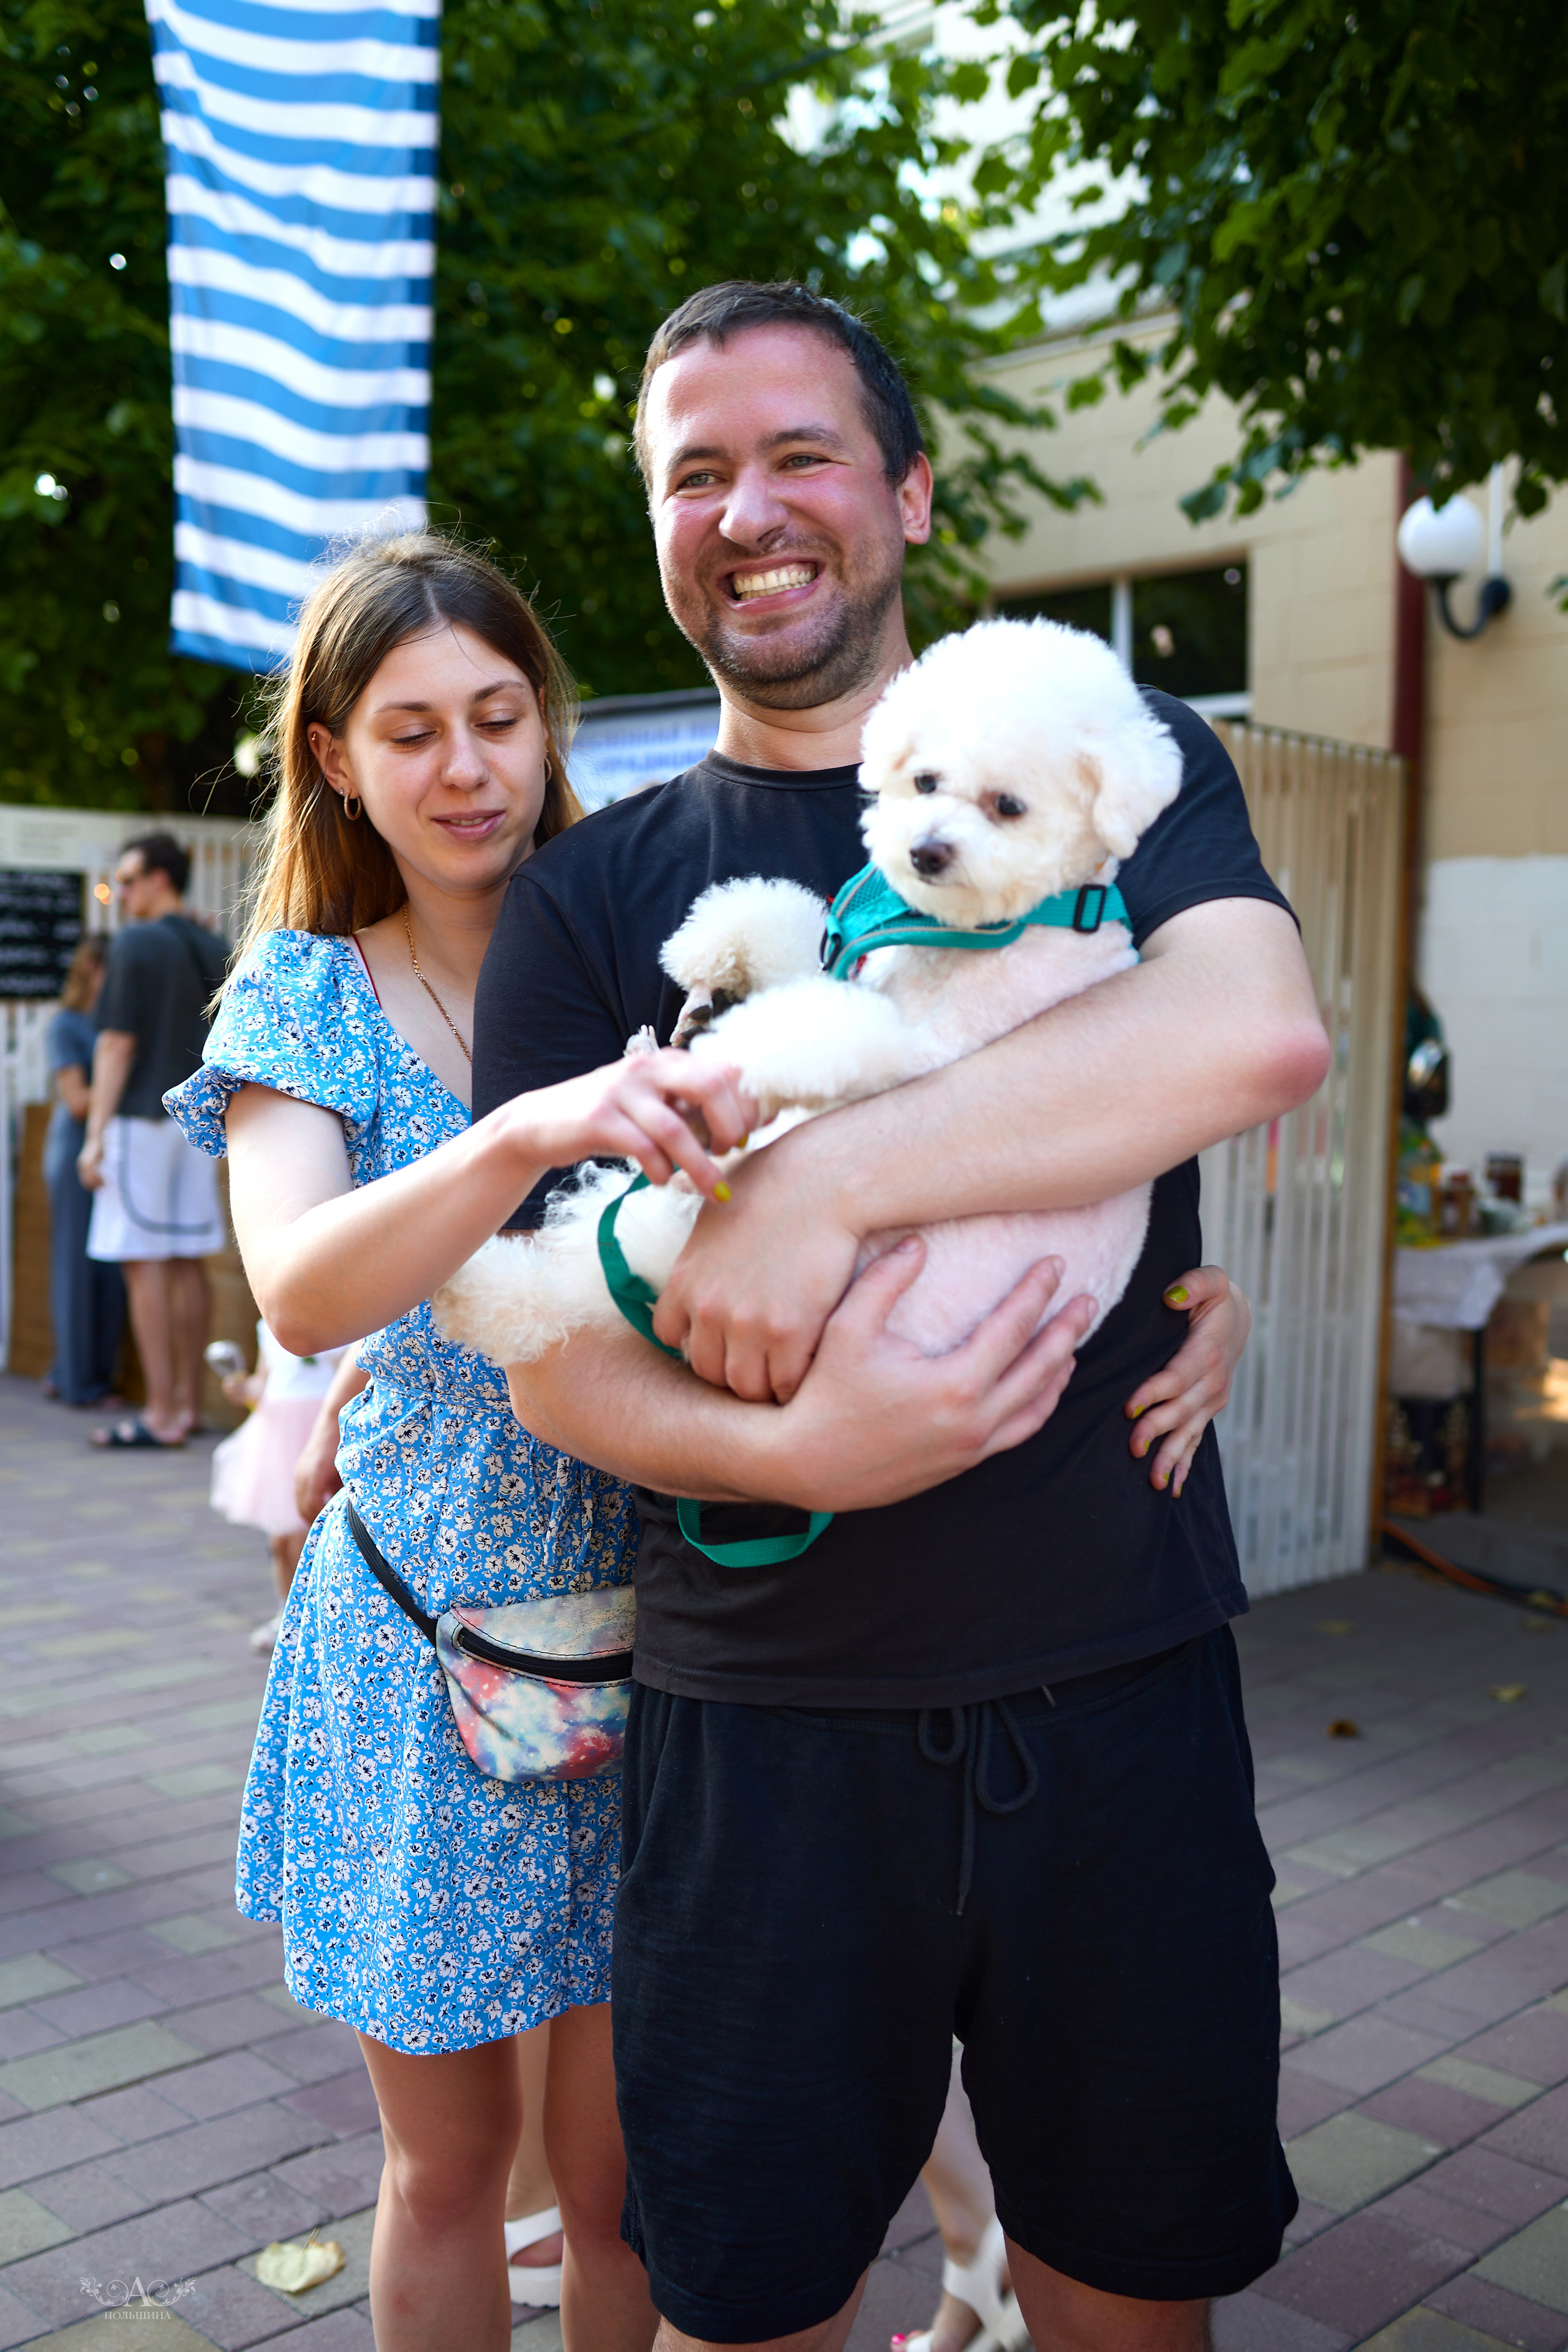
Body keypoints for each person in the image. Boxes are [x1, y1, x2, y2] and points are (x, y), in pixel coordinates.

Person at [472, 281, 1331, 2352]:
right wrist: (788, 1453)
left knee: (1131, 2292)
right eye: (695, 473)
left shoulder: (1111, 763)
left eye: (797, 456)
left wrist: (827, 1182)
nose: (746, 510)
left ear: (910, 493)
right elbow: (532, 1347)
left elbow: (1254, 1030)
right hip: (759, 1723)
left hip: (1115, 1682)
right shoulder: (594, 898)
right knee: (743, 2308)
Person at [161, 531, 755, 2352]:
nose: (467, 764)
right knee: (445, 2170)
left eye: (497, 714)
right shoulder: (304, 990)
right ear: (332, 757)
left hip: (668, 1646)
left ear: (546, 719)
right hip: (423, 1653)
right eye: (408, 729)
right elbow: (306, 1286)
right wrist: (521, 1131)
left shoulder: (650, 937)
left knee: (617, 2181)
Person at [78, 833, 230, 1449]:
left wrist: (93, 1137)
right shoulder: (213, 944)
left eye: (131, 880)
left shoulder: (137, 942)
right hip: (196, 1126)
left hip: (141, 1121)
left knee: (144, 1264)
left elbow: (116, 1043)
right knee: (187, 1259)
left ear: (161, 879)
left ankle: (162, 1414)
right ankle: (187, 1406)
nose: (123, 894)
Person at [209, 1320, 352, 1655]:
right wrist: (245, 1392)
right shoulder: (267, 1326)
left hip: (317, 1427)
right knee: (279, 1536)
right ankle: (285, 1612)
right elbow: (266, 1384)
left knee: (308, 1532)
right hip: (277, 1433)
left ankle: (314, 1618)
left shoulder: (342, 1321)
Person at [42, 934, 125, 1408]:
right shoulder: (66, 1025)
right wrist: (125, 1083)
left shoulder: (114, 1023)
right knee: (76, 1268)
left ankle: (77, 1373)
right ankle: (78, 1383)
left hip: (111, 1150)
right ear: (94, 968)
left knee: (110, 1269)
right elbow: (76, 1102)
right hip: (74, 1149)